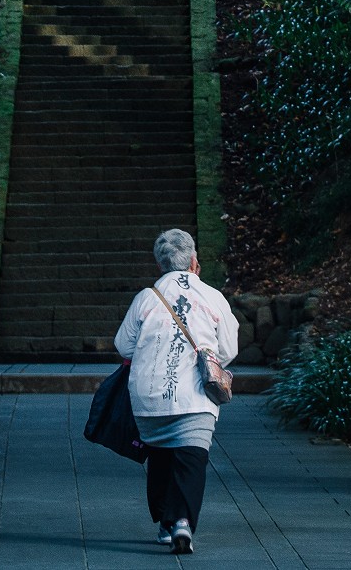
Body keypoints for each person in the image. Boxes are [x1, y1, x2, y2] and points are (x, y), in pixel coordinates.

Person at [113, 228, 240, 555]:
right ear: (194, 261)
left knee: (160, 454)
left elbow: (123, 345)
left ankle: (166, 523)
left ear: (160, 265)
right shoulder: (213, 297)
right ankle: (181, 521)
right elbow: (228, 348)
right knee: (191, 458)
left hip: (149, 395)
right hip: (196, 396)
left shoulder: (147, 297)